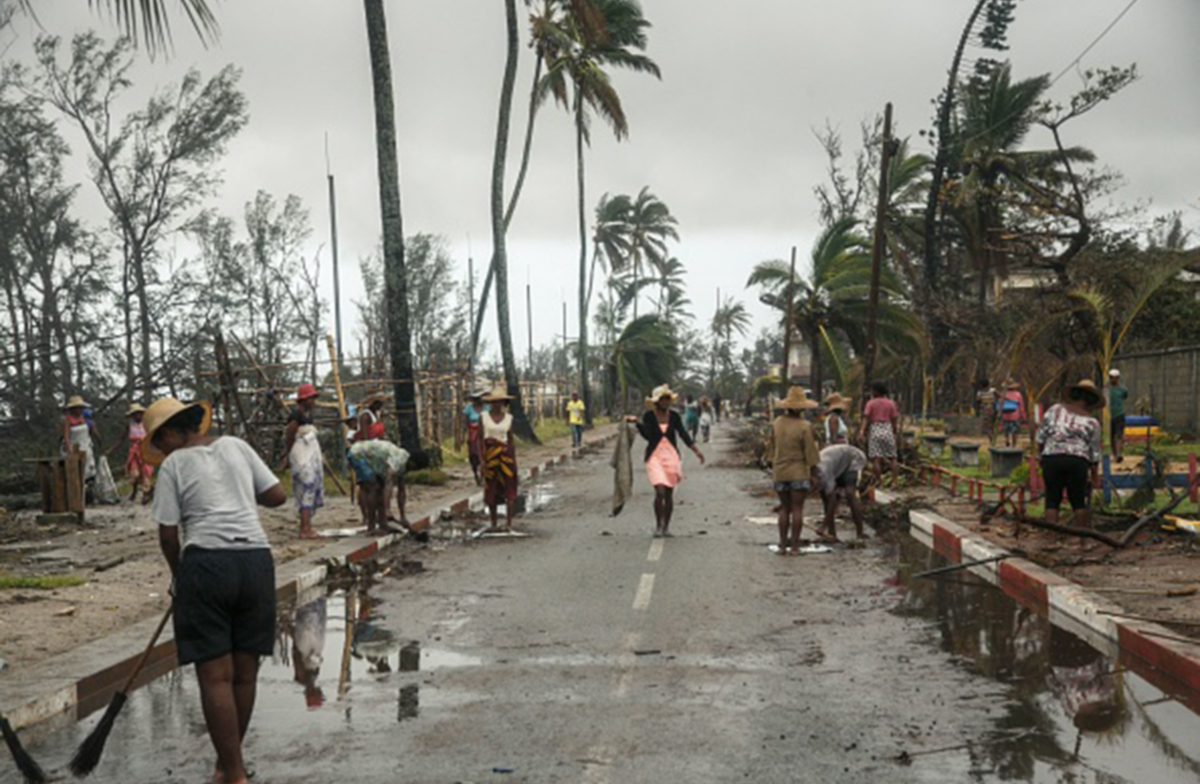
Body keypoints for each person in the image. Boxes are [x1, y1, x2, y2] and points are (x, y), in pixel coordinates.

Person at [143, 397, 286, 784]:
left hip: (207, 564)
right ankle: (227, 766)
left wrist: (180, 578)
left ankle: (234, 773)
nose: (161, 451)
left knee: (216, 677)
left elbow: (168, 535)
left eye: (159, 442)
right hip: (256, 562)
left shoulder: (174, 465)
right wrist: (239, 488)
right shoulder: (236, 446)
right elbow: (277, 496)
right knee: (244, 674)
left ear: (170, 433)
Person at [626, 384, 706, 537]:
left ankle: (666, 526)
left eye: (667, 399)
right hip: (654, 456)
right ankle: (658, 525)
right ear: (656, 402)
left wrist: (696, 451)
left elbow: (683, 434)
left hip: (671, 456)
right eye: (662, 399)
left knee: (669, 493)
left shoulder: (674, 416)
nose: (665, 402)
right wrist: (638, 424)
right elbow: (648, 436)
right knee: (660, 491)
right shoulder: (649, 416)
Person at [1037, 380, 1103, 532]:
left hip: (1052, 458)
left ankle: (1052, 537)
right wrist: (1095, 476)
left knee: (1052, 499)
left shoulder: (1054, 410)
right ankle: (1082, 539)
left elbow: (1041, 438)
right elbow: (1094, 453)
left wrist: (1042, 456)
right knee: (1078, 500)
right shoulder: (1092, 422)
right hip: (1077, 461)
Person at [767, 387, 820, 554]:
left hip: (780, 471)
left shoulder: (776, 423)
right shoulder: (805, 426)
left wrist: (773, 464)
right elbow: (811, 452)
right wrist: (814, 473)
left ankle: (782, 546)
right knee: (797, 509)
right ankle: (795, 547)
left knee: (784, 508)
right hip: (798, 471)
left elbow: (771, 449)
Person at [284, 383, 324, 539]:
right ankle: (305, 528)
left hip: (310, 452)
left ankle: (307, 525)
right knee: (306, 485)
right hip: (301, 453)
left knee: (311, 487)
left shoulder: (308, 416)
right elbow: (290, 436)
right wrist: (289, 455)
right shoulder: (296, 416)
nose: (313, 401)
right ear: (303, 400)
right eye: (310, 398)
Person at [347, 437, 410, 535]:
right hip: (358, 454)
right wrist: (387, 510)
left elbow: (401, 489)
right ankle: (371, 527)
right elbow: (388, 481)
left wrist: (403, 516)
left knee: (379, 488)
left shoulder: (402, 467)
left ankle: (382, 524)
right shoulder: (400, 459)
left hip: (368, 458)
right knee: (373, 488)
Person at [481, 386, 519, 531]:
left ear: (504, 403)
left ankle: (509, 522)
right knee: (491, 488)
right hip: (490, 455)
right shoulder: (483, 417)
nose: (497, 404)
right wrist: (482, 460)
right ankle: (493, 522)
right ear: (490, 403)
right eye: (494, 402)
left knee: (509, 486)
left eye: (500, 401)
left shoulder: (509, 418)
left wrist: (514, 460)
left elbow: (510, 441)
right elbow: (480, 440)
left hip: (505, 456)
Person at [815, 443, 868, 542]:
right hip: (838, 462)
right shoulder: (814, 473)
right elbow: (827, 500)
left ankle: (860, 533)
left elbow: (833, 501)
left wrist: (823, 526)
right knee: (825, 497)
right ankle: (832, 534)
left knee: (850, 494)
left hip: (853, 458)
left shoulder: (824, 473)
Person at [859, 382, 900, 488]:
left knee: (876, 459)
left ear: (876, 391)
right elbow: (894, 419)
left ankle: (879, 481)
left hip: (875, 429)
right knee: (893, 457)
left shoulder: (871, 403)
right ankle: (894, 482)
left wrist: (862, 432)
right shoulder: (891, 403)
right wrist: (894, 433)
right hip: (887, 429)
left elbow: (866, 418)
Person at [62, 394, 99, 487]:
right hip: (74, 447)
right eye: (77, 408)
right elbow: (66, 436)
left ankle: (88, 486)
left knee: (89, 468)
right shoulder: (68, 420)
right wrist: (69, 450)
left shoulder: (85, 419)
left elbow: (91, 433)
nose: (79, 410)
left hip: (86, 446)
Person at [124, 403, 155, 503]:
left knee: (146, 472)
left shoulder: (146, 424)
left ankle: (146, 493)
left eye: (139, 414)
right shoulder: (130, 425)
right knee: (135, 473)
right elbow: (122, 437)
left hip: (145, 449)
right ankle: (135, 490)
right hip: (134, 450)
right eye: (135, 414)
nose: (137, 416)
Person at [462, 387, 489, 485]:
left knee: (485, 452)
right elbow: (465, 422)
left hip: (485, 432)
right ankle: (475, 473)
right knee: (473, 454)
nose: (477, 401)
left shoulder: (487, 408)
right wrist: (466, 433)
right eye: (475, 399)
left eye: (479, 398)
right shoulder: (468, 408)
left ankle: (483, 475)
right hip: (473, 433)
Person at [1107, 368, 1129, 463]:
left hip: (1119, 414)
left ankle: (1119, 453)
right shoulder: (1107, 390)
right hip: (1108, 415)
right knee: (1111, 435)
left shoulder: (1122, 389)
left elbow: (1125, 396)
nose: (1113, 379)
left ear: (1118, 378)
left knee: (1119, 434)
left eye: (1115, 377)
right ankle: (1114, 453)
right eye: (1111, 377)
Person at [999, 379, 1026, 448]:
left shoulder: (1003, 394)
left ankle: (1007, 440)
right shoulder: (1018, 394)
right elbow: (1021, 405)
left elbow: (1000, 404)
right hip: (1015, 415)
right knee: (1015, 431)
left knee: (1006, 430)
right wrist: (1023, 416)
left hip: (1005, 415)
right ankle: (1014, 444)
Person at [976, 379, 998, 444]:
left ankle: (991, 438)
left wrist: (978, 411)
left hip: (985, 410)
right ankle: (993, 435)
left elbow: (978, 401)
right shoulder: (993, 390)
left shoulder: (980, 393)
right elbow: (999, 396)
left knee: (987, 425)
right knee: (993, 423)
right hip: (993, 409)